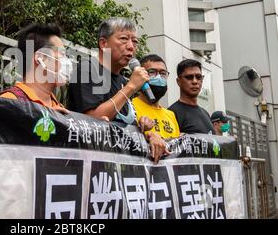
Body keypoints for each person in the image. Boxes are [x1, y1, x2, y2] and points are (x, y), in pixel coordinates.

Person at [68, 17, 169, 163]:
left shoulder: (122, 81)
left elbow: (123, 126)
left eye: (135, 42)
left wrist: (146, 131)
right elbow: (93, 121)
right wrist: (131, 87)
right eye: (123, 39)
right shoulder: (88, 69)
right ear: (103, 43)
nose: (131, 47)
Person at [0, 23, 70, 112]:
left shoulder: (59, 107)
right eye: (62, 54)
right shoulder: (10, 101)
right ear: (40, 58)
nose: (67, 61)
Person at [132, 54, 180, 140]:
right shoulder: (130, 107)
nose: (159, 77)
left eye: (163, 73)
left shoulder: (171, 115)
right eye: (152, 72)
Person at [168, 59, 214, 135]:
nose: (195, 81)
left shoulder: (206, 114)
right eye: (189, 77)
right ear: (178, 81)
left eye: (198, 77)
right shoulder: (171, 114)